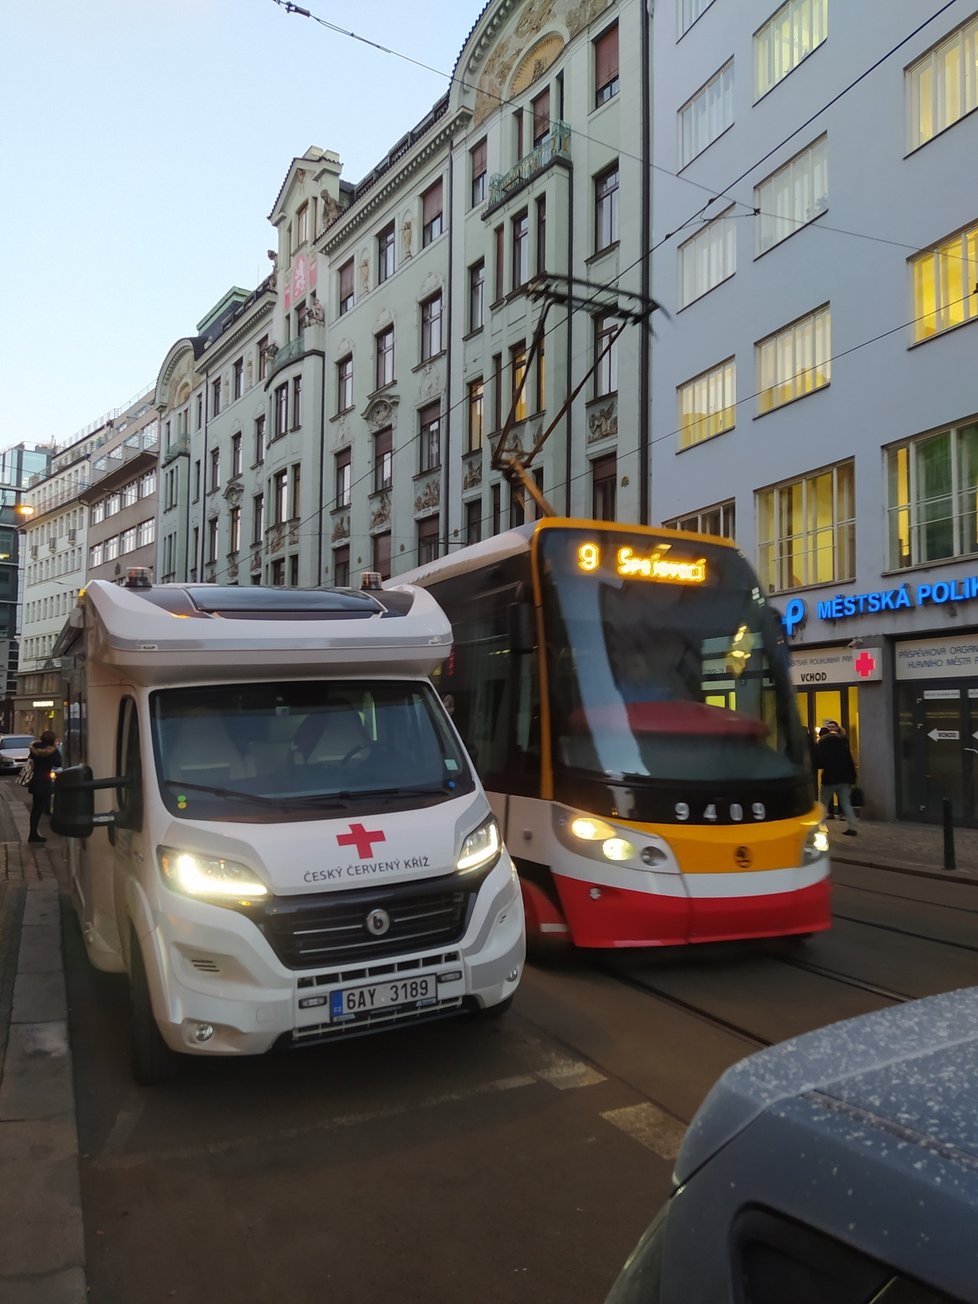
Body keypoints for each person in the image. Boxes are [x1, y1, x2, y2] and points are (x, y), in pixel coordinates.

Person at [815, 720, 858, 836]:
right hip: (843, 778)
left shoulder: (823, 743)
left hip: (830, 778)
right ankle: (852, 827)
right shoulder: (843, 742)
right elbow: (849, 760)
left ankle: (821, 827)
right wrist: (852, 777)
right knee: (846, 803)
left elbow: (819, 761)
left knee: (823, 803)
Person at [27, 729, 62, 844]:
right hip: (44, 780)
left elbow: (30, 761)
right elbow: (58, 763)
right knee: (41, 807)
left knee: (35, 809)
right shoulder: (52, 751)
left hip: (35, 778)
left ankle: (33, 833)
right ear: (52, 740)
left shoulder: (35, 748)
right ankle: (34, 835)